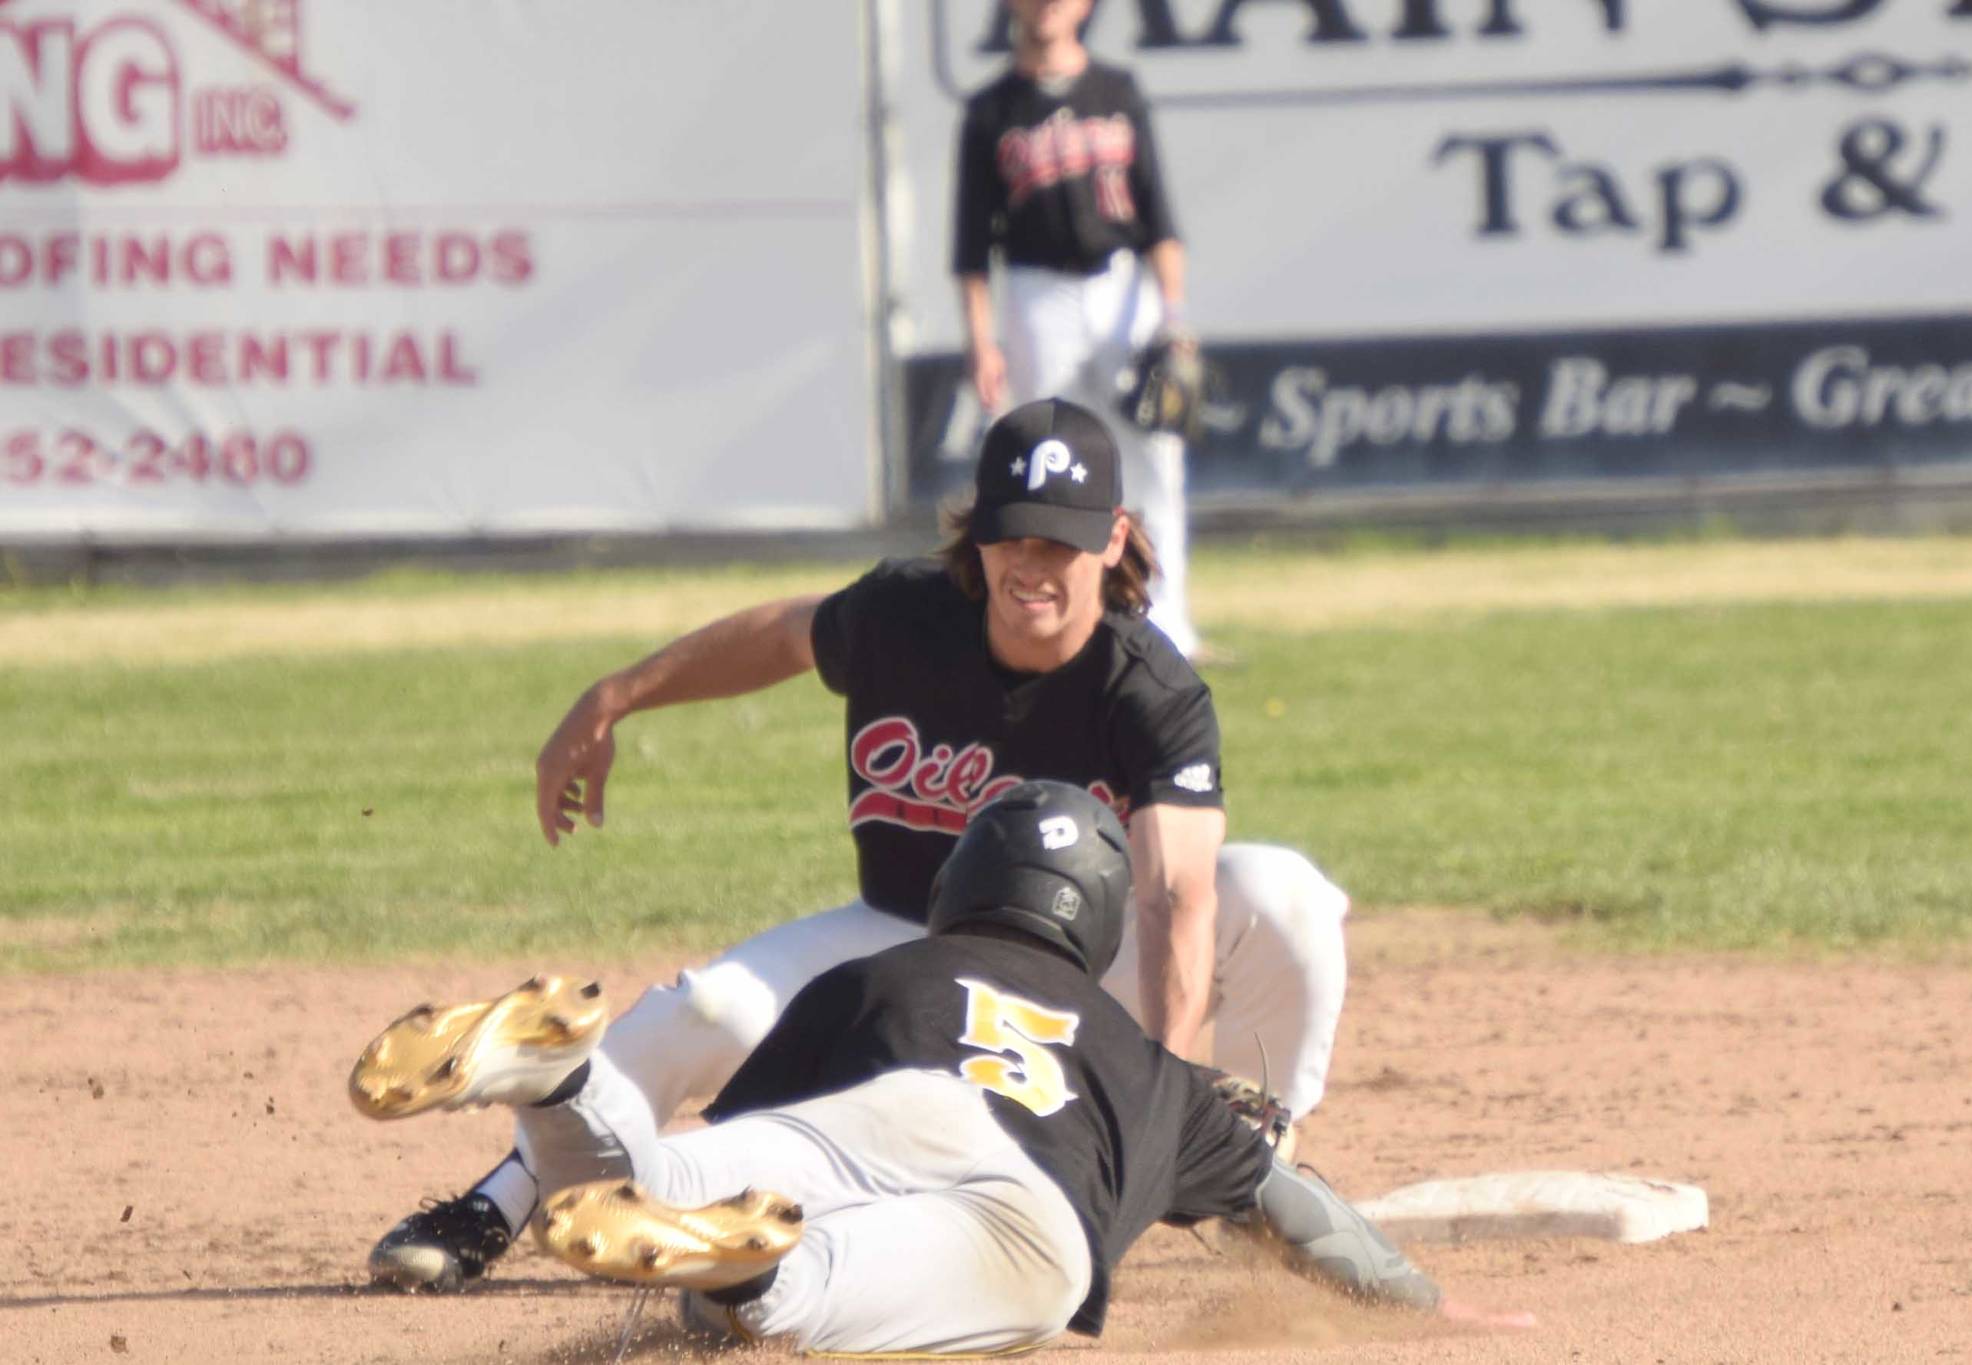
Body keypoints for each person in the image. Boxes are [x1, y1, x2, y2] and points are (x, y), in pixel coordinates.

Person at [364, 398, 1351, 1293]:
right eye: (1014, 536)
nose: (1033, 564)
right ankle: (499, 1200)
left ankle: (1252, 1153)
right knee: (701, 1009)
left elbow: (1174, 896)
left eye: (1063, 541)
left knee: (1282, 892)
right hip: (895, 936)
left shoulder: (1148, 690)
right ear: (980, 535)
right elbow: (781, 637)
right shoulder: (905, 617)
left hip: (1072, 974)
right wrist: (615, 695)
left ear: (1113, 541)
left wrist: (1155, 1094)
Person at [351, 784, 1528, 1353]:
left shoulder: (874, 979)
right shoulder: (1150, 1070)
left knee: (663, 1169)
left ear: (961, 888)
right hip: (1026, 1210)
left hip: (877, 1106)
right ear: (1097, 925)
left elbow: (735, 1138)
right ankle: (754, 1283)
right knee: (798, 1291)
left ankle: (562, 1083)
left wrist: (683, 1181)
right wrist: (1421, 1300)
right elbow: (1297, 1209)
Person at [954, 0, 1205, 657]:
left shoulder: (1117, 91)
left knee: (1155, 456)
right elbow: (972, 249)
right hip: (1037, 291)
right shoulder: (991, 111)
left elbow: (1160, 220)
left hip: (1124, 285)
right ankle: (1046, 621)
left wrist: (1174, 319)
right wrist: (982, 341)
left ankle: (1168, 621)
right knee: (1045, 454)